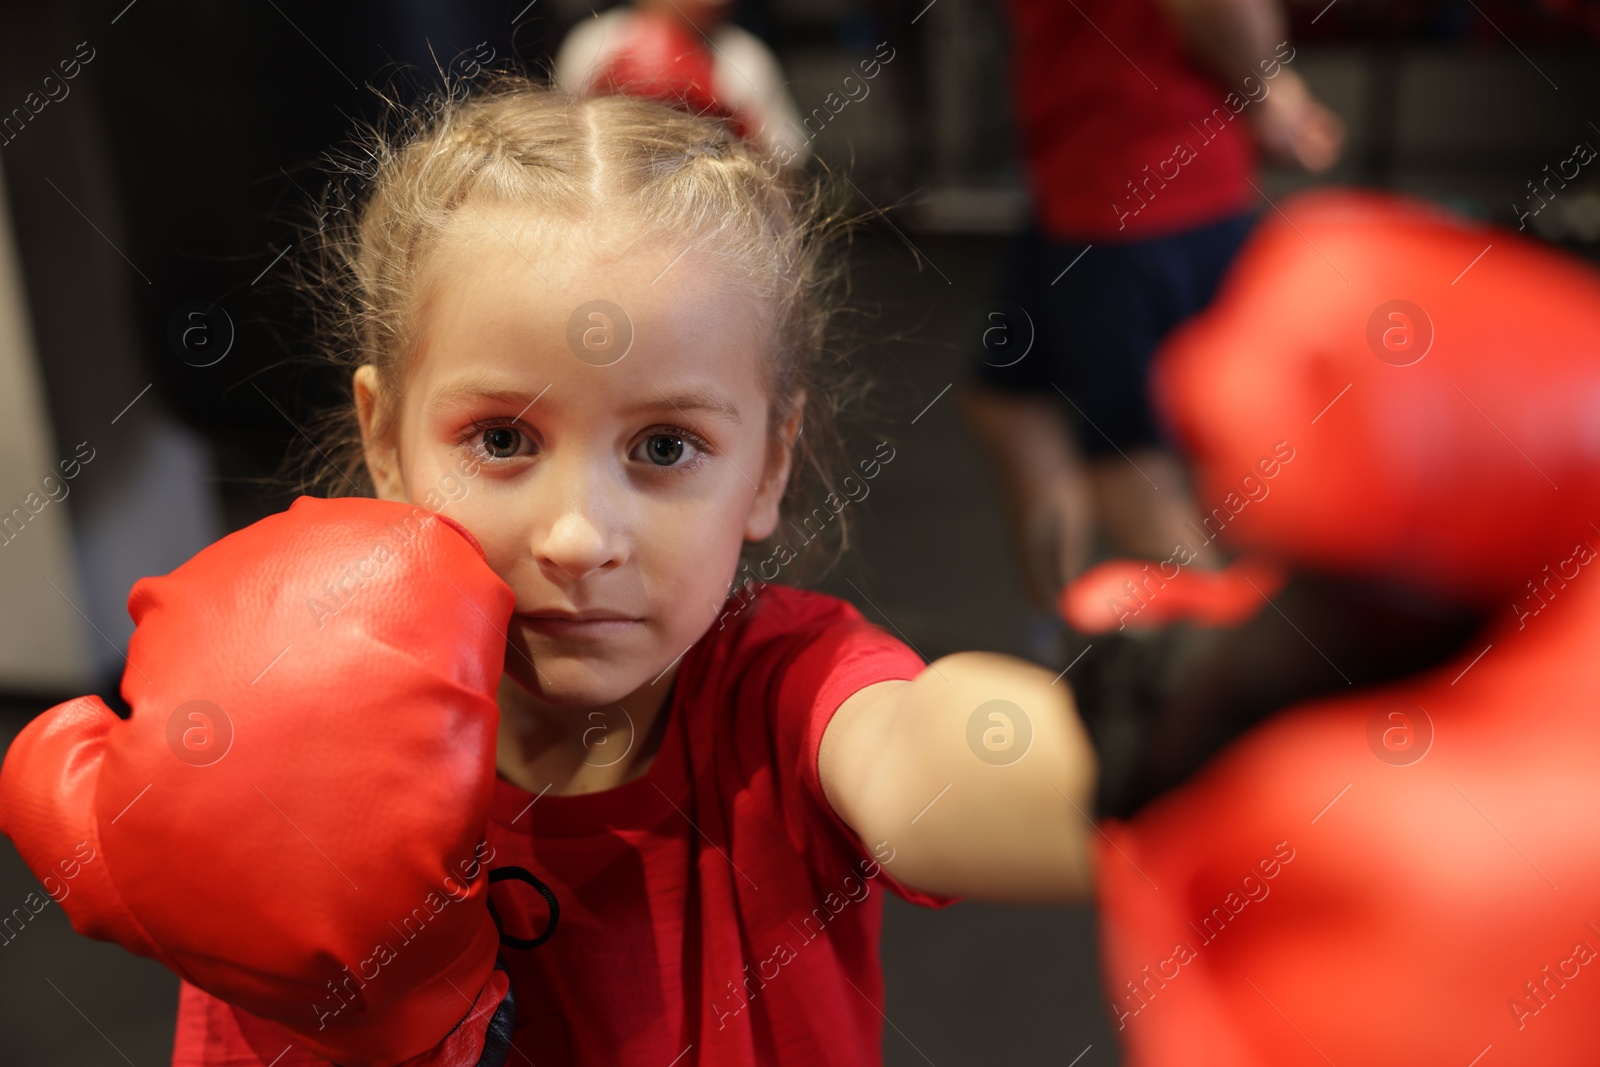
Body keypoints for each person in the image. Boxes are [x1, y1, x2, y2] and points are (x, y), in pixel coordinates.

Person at [1, 82, 1098, 1065]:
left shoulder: (784, 693)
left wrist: (1139, 742)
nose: (580, 535)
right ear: (387, 442)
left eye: (665, 447)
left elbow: (923, 760)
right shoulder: (291, 717)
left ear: (767, 465)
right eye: (502, 440)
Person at [962, 0, 1345, 626]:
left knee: (1132, 475)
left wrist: (1269, 93)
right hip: (1084, 190)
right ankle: (1067, 631)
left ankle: (1219, 682)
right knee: (1010, 403)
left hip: (1134, 198)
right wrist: (1275, 93)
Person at [553, 0, 808, 168]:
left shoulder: (745, 56)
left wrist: (734, 125)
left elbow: (791, 163)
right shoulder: (596, 42)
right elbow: (557, 144)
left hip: (714, 217)